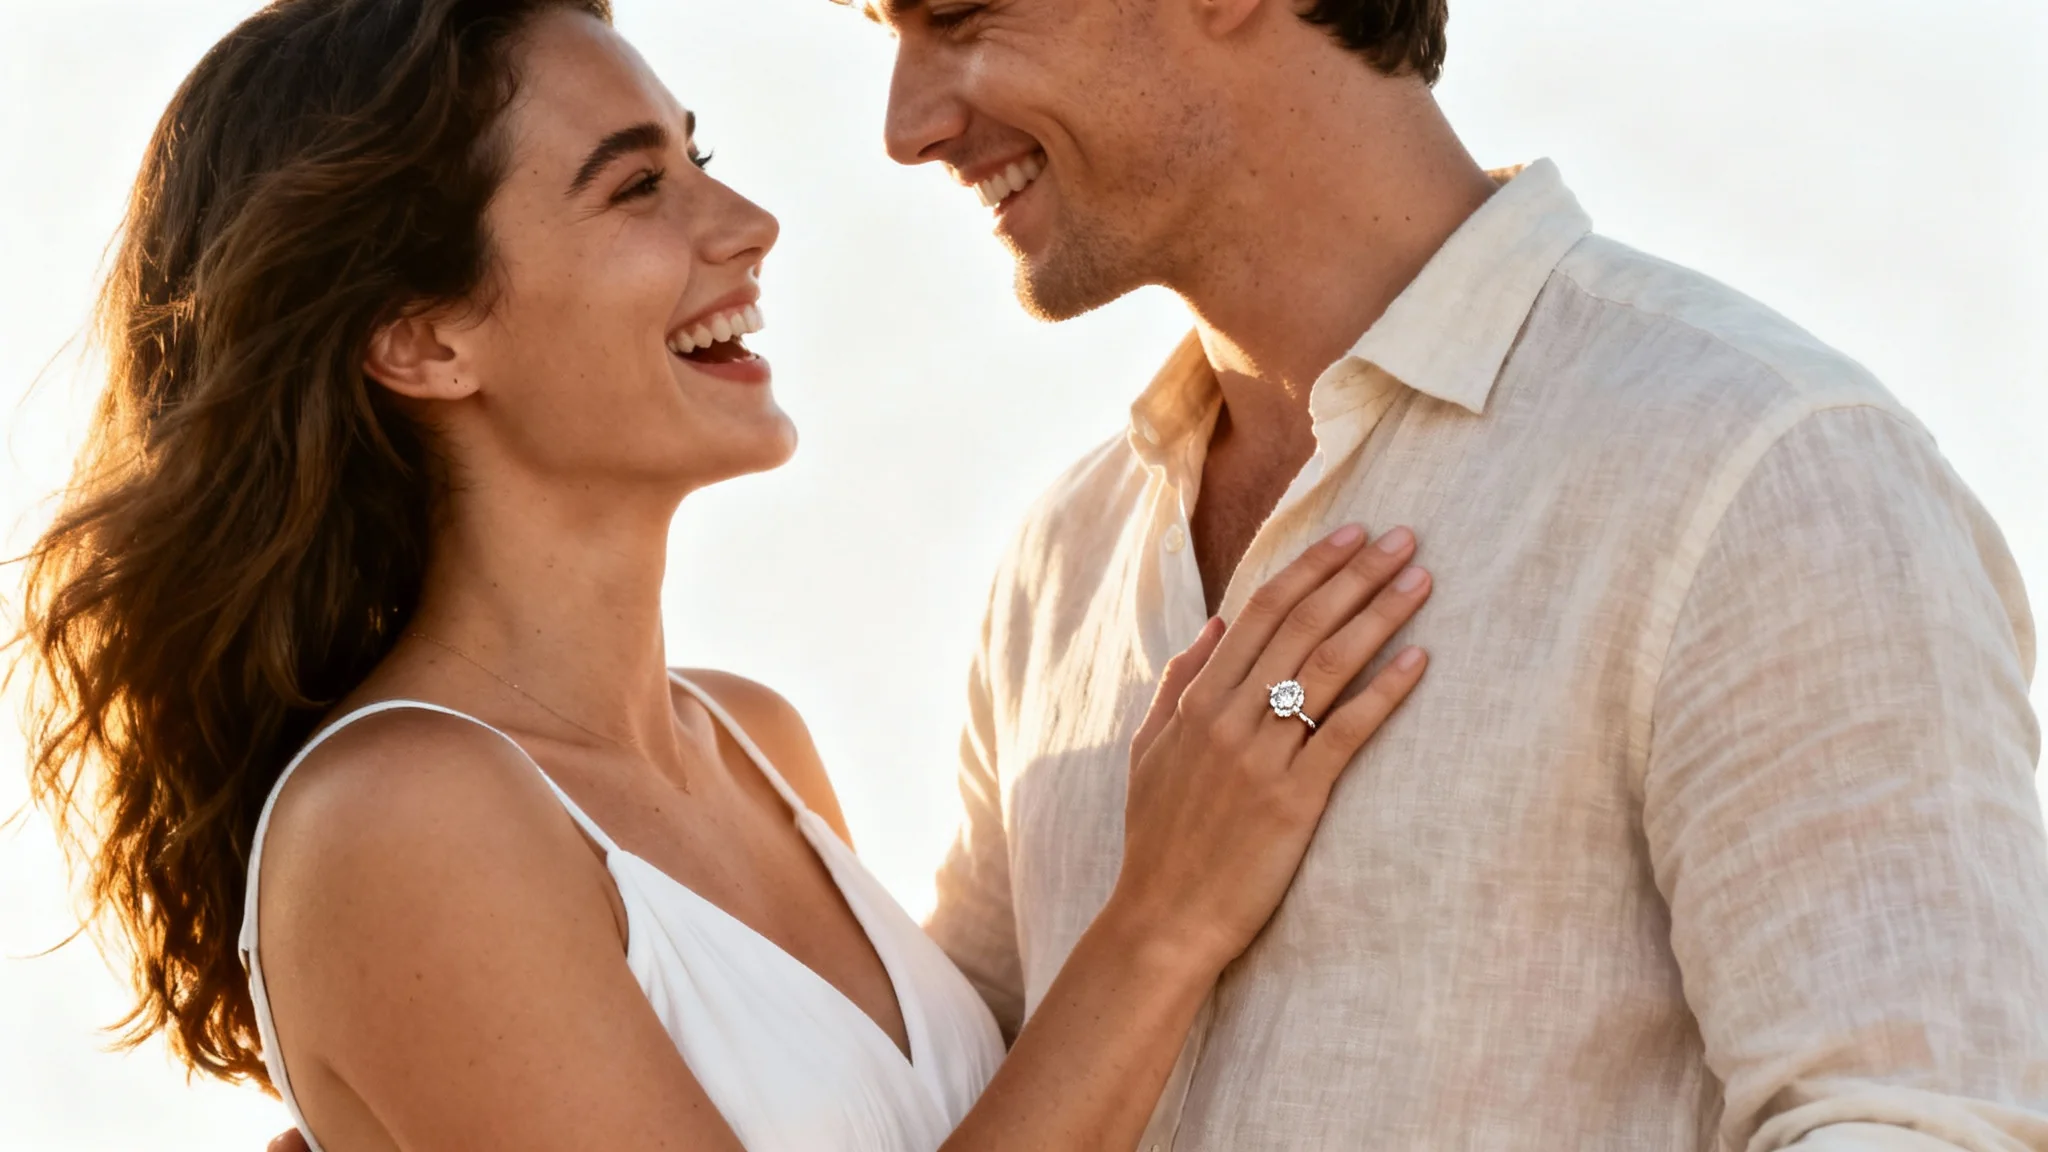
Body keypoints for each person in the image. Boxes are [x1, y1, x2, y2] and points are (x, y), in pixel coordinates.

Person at [16, 2, 1440, 1151]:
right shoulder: (397, 818)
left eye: (700, 154)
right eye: (639, 185)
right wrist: (1163, 919)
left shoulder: (760, 743)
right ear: (425, 340)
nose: (746, 220)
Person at [872, 0, 2048, 1148]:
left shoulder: (1756, 469)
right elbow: (952, 1095)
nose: (903, 124)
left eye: (962, 17)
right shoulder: (1060, 562)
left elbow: (1912, 1118)